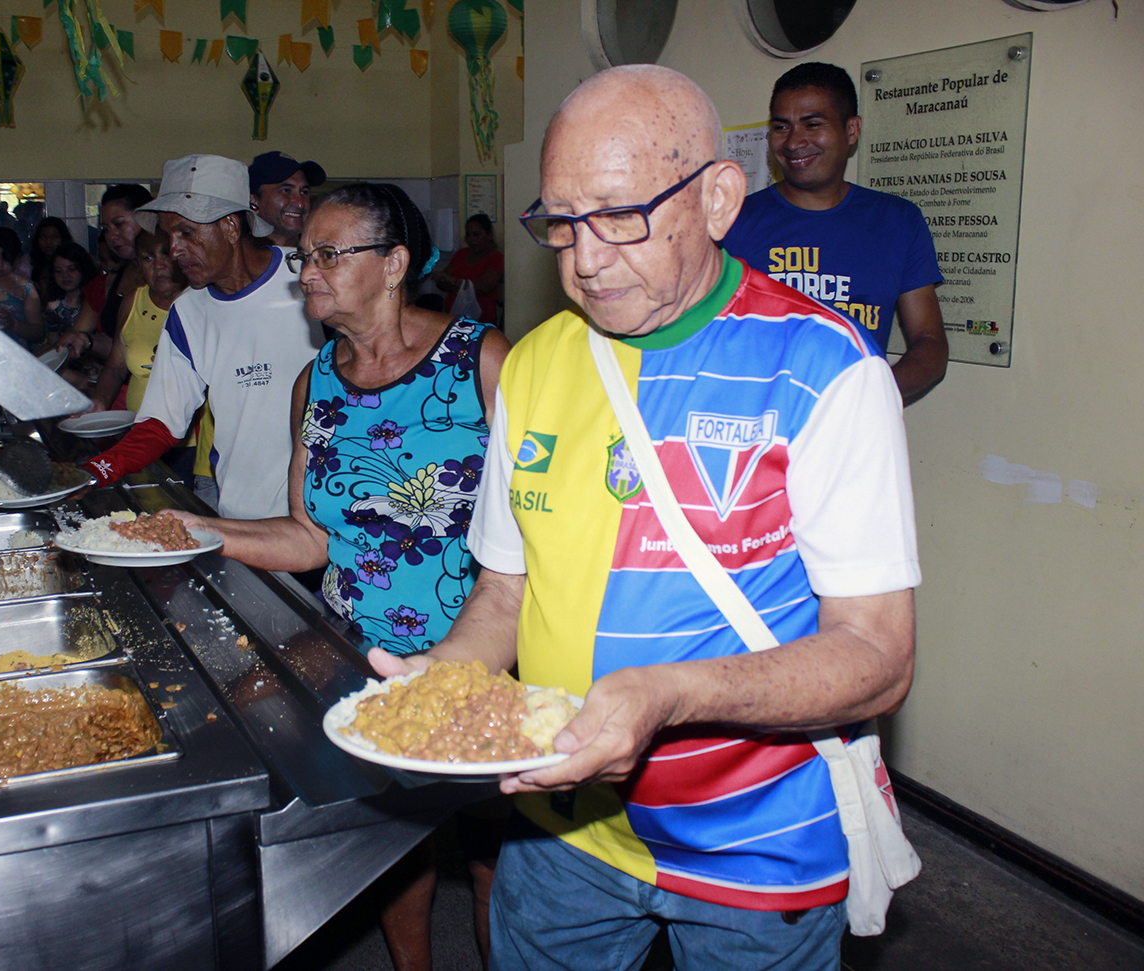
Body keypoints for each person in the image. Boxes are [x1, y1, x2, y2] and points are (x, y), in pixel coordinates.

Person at [372, 65, 920, 971]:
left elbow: (877, 656)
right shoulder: (536, 365)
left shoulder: (828, 368)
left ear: (716, 198)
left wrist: (666, 694)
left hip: (758, 846)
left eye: (620, 215)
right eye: (559, 222)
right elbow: (507, 592)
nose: (585, 258)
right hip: (563, 832)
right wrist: (436, 688)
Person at [168, 181, 510, 969]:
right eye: (303, 256)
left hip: (485, 663)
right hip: (366, 665)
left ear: (393, 264)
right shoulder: (315, 383)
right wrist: (200, 532)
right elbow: (311, 538)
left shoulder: (480, 361)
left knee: (498, 861)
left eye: (328, 254)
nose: (307, 272)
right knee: (395, 858)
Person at [80, 155, 324, 520]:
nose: (175, 251)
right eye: (169, 235)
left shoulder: (308, 277)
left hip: (327, 516)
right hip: (246, 516)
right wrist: (94, 472)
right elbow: (161, 423)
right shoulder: (189, 312)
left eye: (186, 233)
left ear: (229, 227)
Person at [723, 62, 947, 406]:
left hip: (855, 430)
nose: (795, 142)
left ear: (852, 130)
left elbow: (930, 343)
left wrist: (867, 397)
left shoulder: (898, 221)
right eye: (782, 127)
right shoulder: (731, 220)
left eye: (813, 124)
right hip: (755, 428)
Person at [83, 229, 187, 413]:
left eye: (166, 254)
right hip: (139, 432)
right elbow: (116, 367)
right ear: (138, 264)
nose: (158, 265)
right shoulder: (133, 301)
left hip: (191, 438)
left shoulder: (200, 301)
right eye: (148, 258)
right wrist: (100, 401)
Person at [58, 185, 152, 369]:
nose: (112, 236)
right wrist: (84, 340)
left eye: (119, 224)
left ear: (147, 216)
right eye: (106, 228)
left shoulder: (169, 277)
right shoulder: (118, 276)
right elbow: (118, 349)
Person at [432, 214, 505, 326]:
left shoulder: (496, 258)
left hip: (481, 323)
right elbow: (442, 282)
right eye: (468, 235)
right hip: (453, 320)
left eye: (477, 234)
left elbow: (483, 286)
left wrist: (452, 281)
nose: (471, 239)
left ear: (489, 235)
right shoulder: (461, 254)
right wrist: (447, 281)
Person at [249, 151, 327, 248]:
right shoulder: (236, 259)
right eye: (286, 191)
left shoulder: (320, 257)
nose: (300, 203)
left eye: (304, 192)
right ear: (253, 201)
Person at [40, 241, 98, 350]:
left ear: (83, 269)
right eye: (58, 271)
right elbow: (53, 344)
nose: (65, 276)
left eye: (71, 269)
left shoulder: (94, 300)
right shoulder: (54, 306)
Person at [22, 216, 73, 302]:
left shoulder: (74, 261)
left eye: (54, 237)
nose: (48, 242)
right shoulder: (29, 264)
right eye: (43, 237)